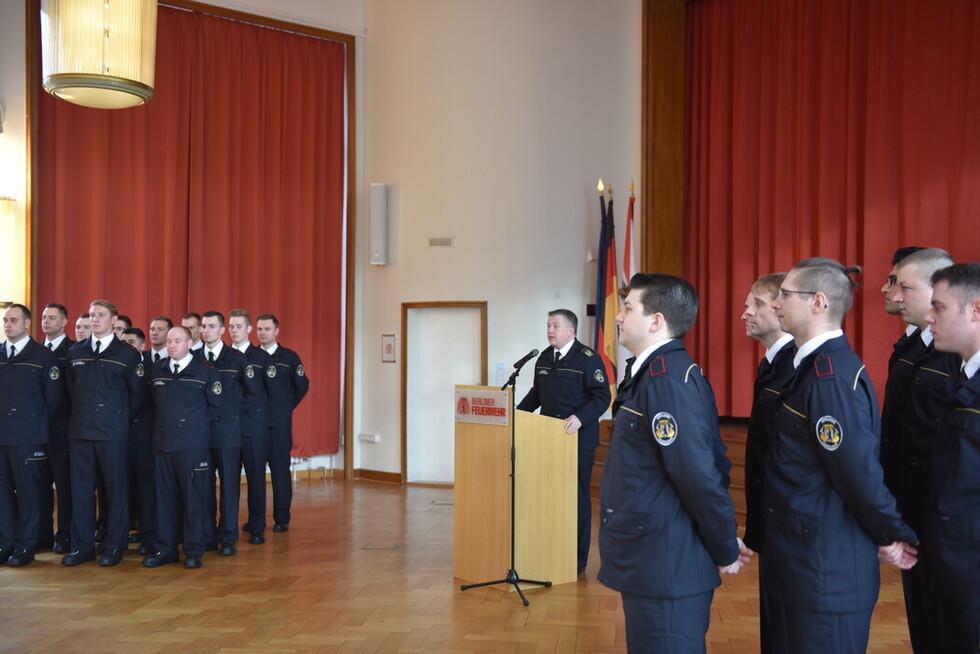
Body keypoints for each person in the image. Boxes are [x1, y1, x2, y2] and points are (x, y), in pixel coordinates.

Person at [764, 258, 918, 653]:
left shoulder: (830, 377)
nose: (776, 304)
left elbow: (858, 473)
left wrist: (891, 533)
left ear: (817, 302)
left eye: (784, 295)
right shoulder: (810, 367)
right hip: (802, 563)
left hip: (825, 572)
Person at [598, 273, 748, 653]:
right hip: (654, 559)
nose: (618, 316)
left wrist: (723, 545)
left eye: (628, 308)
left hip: (666, 565)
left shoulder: (667, 381)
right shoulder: (652, 373)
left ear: (655, 321)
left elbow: (699, 474)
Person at [880, 248, 958, 653]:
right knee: (924, 621)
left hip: (942, 517)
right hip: (913, 509)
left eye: (904, 286)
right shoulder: (916, 346)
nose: (891, 293)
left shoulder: (951, 355)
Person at [517, 309, 611, 575]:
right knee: (550, 495)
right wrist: (516, 416)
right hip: (547, 440)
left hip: (577, 440)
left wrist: (581, 418)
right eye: (548, 325)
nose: (550, 330)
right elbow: (537, 394)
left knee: (577, 497)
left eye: (555, 326)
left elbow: (602, 397)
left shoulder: (588, 359)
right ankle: (551, 548)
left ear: (571, 331)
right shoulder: (544, 358)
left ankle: (577, 558)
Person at [923, 262, 980, 653]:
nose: (929, 318)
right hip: (950, 568)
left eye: (939, 308)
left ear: (976, 311)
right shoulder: (960, 376)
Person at [62, 300, 144, 567]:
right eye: (92, 315)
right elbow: (72, 391)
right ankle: (82, 547)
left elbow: (137, 395)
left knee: (116, 491)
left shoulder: (127, 354)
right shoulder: (76, 352)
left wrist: (118, 420)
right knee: (81, 491)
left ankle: (114, 546)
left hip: (112, 434)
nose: (95, 320)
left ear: (113, 319)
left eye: (101, 315)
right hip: (81, 432)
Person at [739, 273, 795, 654]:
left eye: (755, 304)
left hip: (791, 524)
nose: (745, 312)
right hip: (773, 519)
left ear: (781, 307)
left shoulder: (796, 366)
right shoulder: (772, 363)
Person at [143, 326, 220, 569]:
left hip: (192, 447)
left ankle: (194, 550)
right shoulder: (157, 370)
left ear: (189, 343)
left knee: (193, 500)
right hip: (163, 445)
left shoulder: (205, 371)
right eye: (169, 341)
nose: (171, 345)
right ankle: (166, 549)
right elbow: (151, 406)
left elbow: (216, 408)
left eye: (177, 341)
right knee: (163, 500)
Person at [0, 304, 62, 567]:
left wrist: (35, 428)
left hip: (28, 437)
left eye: (13, 320)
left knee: (28, 493)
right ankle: (5, 543)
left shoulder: (42, 356)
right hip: (2, 436)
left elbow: (53, 401)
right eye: (5, 320)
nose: (7, 324)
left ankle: (27, 545)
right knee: (2, 494)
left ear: (27, 324)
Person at [198, 311, 259, 556]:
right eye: (203, 326)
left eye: (212, 326)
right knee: (203, 486)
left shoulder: (236, 359)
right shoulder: (193, 358)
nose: (206, 331)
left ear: (222, 330)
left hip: (227, 434)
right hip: (201, 434)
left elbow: (253, 393)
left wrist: (230, 412)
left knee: (229, 487)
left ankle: (228, 537)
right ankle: (206, 534)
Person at [257, 314, 309, 532]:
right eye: (259, 329)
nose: (263, 333)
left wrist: (286, 407)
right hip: (255, 426)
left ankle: (281, 518)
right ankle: (256, 519)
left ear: (276, 331)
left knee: (280, 472)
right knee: (255, 474)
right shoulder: (250, 356)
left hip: (278, 426)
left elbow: (302, 386)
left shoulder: (289, 357)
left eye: (267, 329)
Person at [229, 309, 273, 545]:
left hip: (253, 428)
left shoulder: (261, 358)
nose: (235, 330)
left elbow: (267, 393)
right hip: (228, 429)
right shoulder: (223, 356)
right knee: (229, 481)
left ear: (248, 330)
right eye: (231, 326)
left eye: (239, 326)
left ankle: (257, 526)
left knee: (255, 479)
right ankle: (228, 527)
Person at [38, 302, 74, 553]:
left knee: (64, 486)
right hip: (37, 429)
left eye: (52, 318)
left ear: (64, 322)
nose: (46, 321)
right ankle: (41, 535)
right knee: (38, 486)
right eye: (43, 317)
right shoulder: (35, 351)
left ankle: (65, 534)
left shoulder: (72, 351)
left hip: (63, 428)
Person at [121, 326, 157, 554]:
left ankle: (149, 535)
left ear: (143, 346)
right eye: (125, 343)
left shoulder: (151, 367)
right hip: (120, 435)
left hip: (144, 436)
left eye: (132, 342)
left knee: (146, 488)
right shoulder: (121, 364)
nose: (129, 347)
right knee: (124, 487)